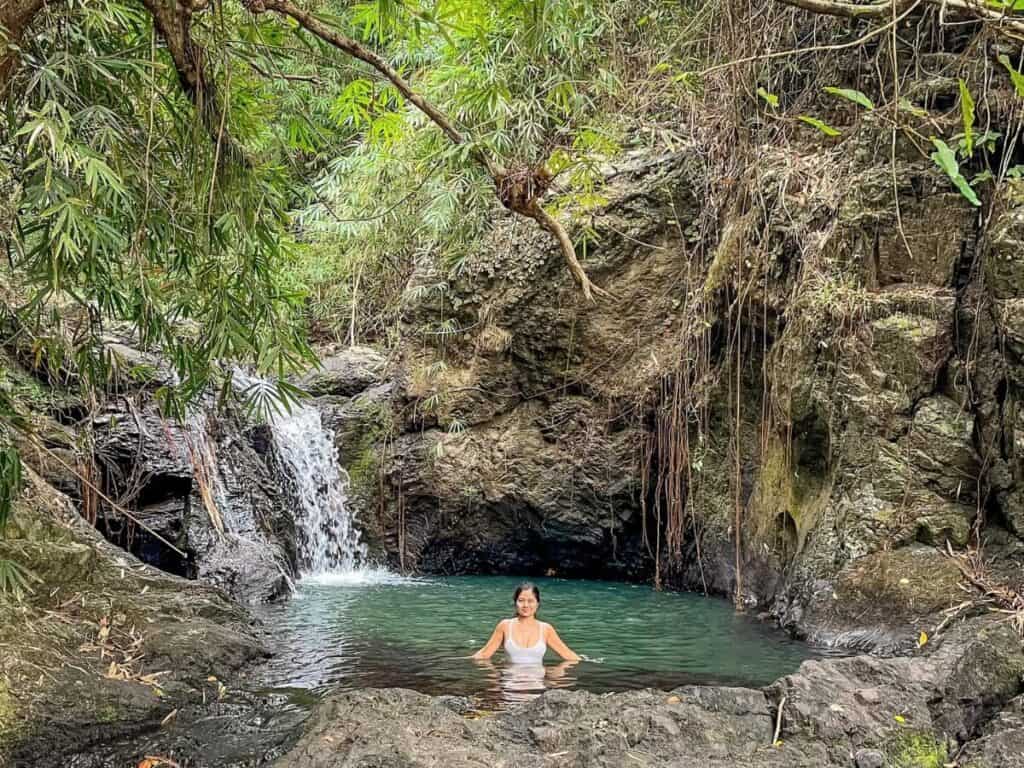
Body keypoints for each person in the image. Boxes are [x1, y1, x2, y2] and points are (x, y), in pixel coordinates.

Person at [471, 582, 581, 662]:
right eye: (521, 601)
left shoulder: (546, 629)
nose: (526, 605)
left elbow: (567, 655)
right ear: (515, 603)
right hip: (510, 686)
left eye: (531, 601)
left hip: (537, 689)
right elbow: (484, 654)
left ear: (538, 604)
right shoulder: (505, 625)